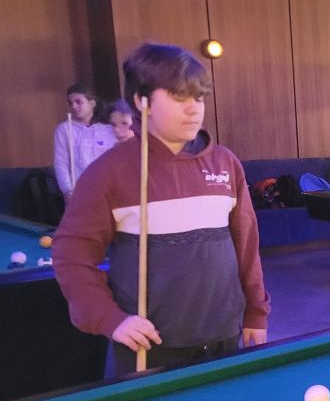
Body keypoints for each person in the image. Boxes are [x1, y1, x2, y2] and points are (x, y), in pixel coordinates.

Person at [52, 43, 271, 373]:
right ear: (142, 101)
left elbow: (246, 245)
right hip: (150, 345)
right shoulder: (109, 172)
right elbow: (72, 254)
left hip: (225, 334)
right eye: (179, 96)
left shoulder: (225, 163)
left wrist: (256, 311)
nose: (193, 109)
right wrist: (110, 319)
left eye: (198, 97)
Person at [53, 84, 117, 202]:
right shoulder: (64, 129)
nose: (74, 106)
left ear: (92, 103)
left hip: (108, 191)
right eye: (70, 103)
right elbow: (61, 163)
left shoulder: (108, 129)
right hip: (78, 191)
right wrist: (67, 190)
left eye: (78, 102)